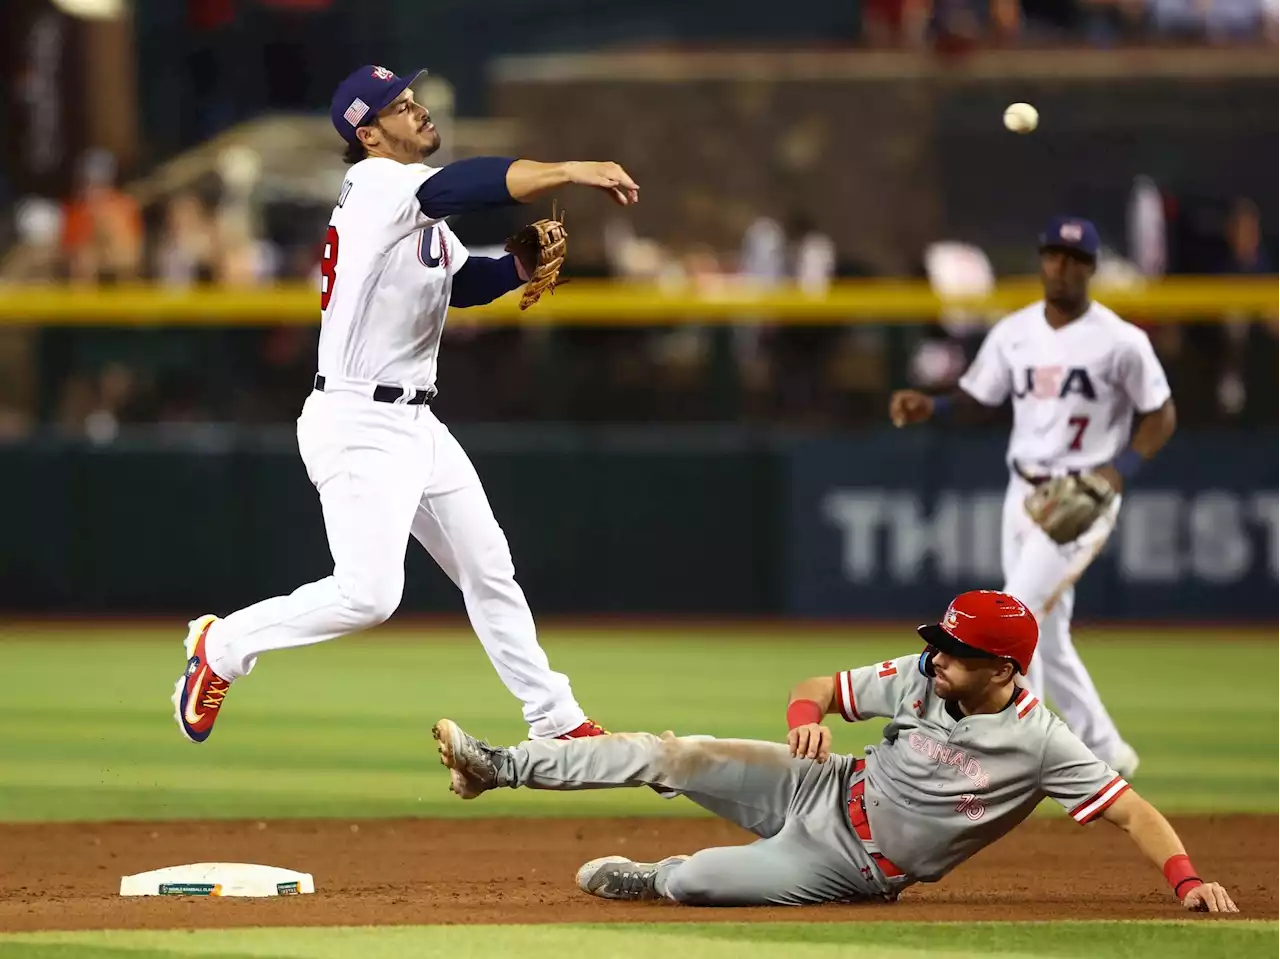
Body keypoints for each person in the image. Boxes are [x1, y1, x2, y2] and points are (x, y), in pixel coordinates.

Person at [174, 65, 640, 744]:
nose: (419, 110)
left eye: (415, 98)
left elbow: (461, 283)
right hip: (359, 420)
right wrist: (569, 168)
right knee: (369, 595)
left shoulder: (411, 201)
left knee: (488, 565)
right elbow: (465, 184)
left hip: (414, 420)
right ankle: (221, 648)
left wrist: (512, 269)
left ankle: (555, 717)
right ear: (368, 133)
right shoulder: (376, 184)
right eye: (400, 106)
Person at [432, 590, 1237, 913]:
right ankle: (500, 764)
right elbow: (816, 685)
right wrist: (804, 715)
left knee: (702, 878)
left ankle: (658, 880)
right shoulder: (926, 674)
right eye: (940, 643)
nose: (936, 657)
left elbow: (1130, 807)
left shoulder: (1042, 741)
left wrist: (1189, 879)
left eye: (955, 651)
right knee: (668, 753)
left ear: (1003, 669)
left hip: (854, 866)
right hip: (822, 784)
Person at [887, 217, 1177, 777]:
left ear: (1090, 268)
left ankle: (1018, 750)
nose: (1060, 266)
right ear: (1042, 260)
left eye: (1072, 258)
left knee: (1016, 609)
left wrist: (1120, 472)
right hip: (1022, 488)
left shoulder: (1121, 341)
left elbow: (1160, 412)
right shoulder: (1015, 331)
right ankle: (1108, 750)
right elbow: (978, 394)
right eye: (1052, 255)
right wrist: (933, 407)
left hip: (1083, 492)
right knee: (1049, 630)